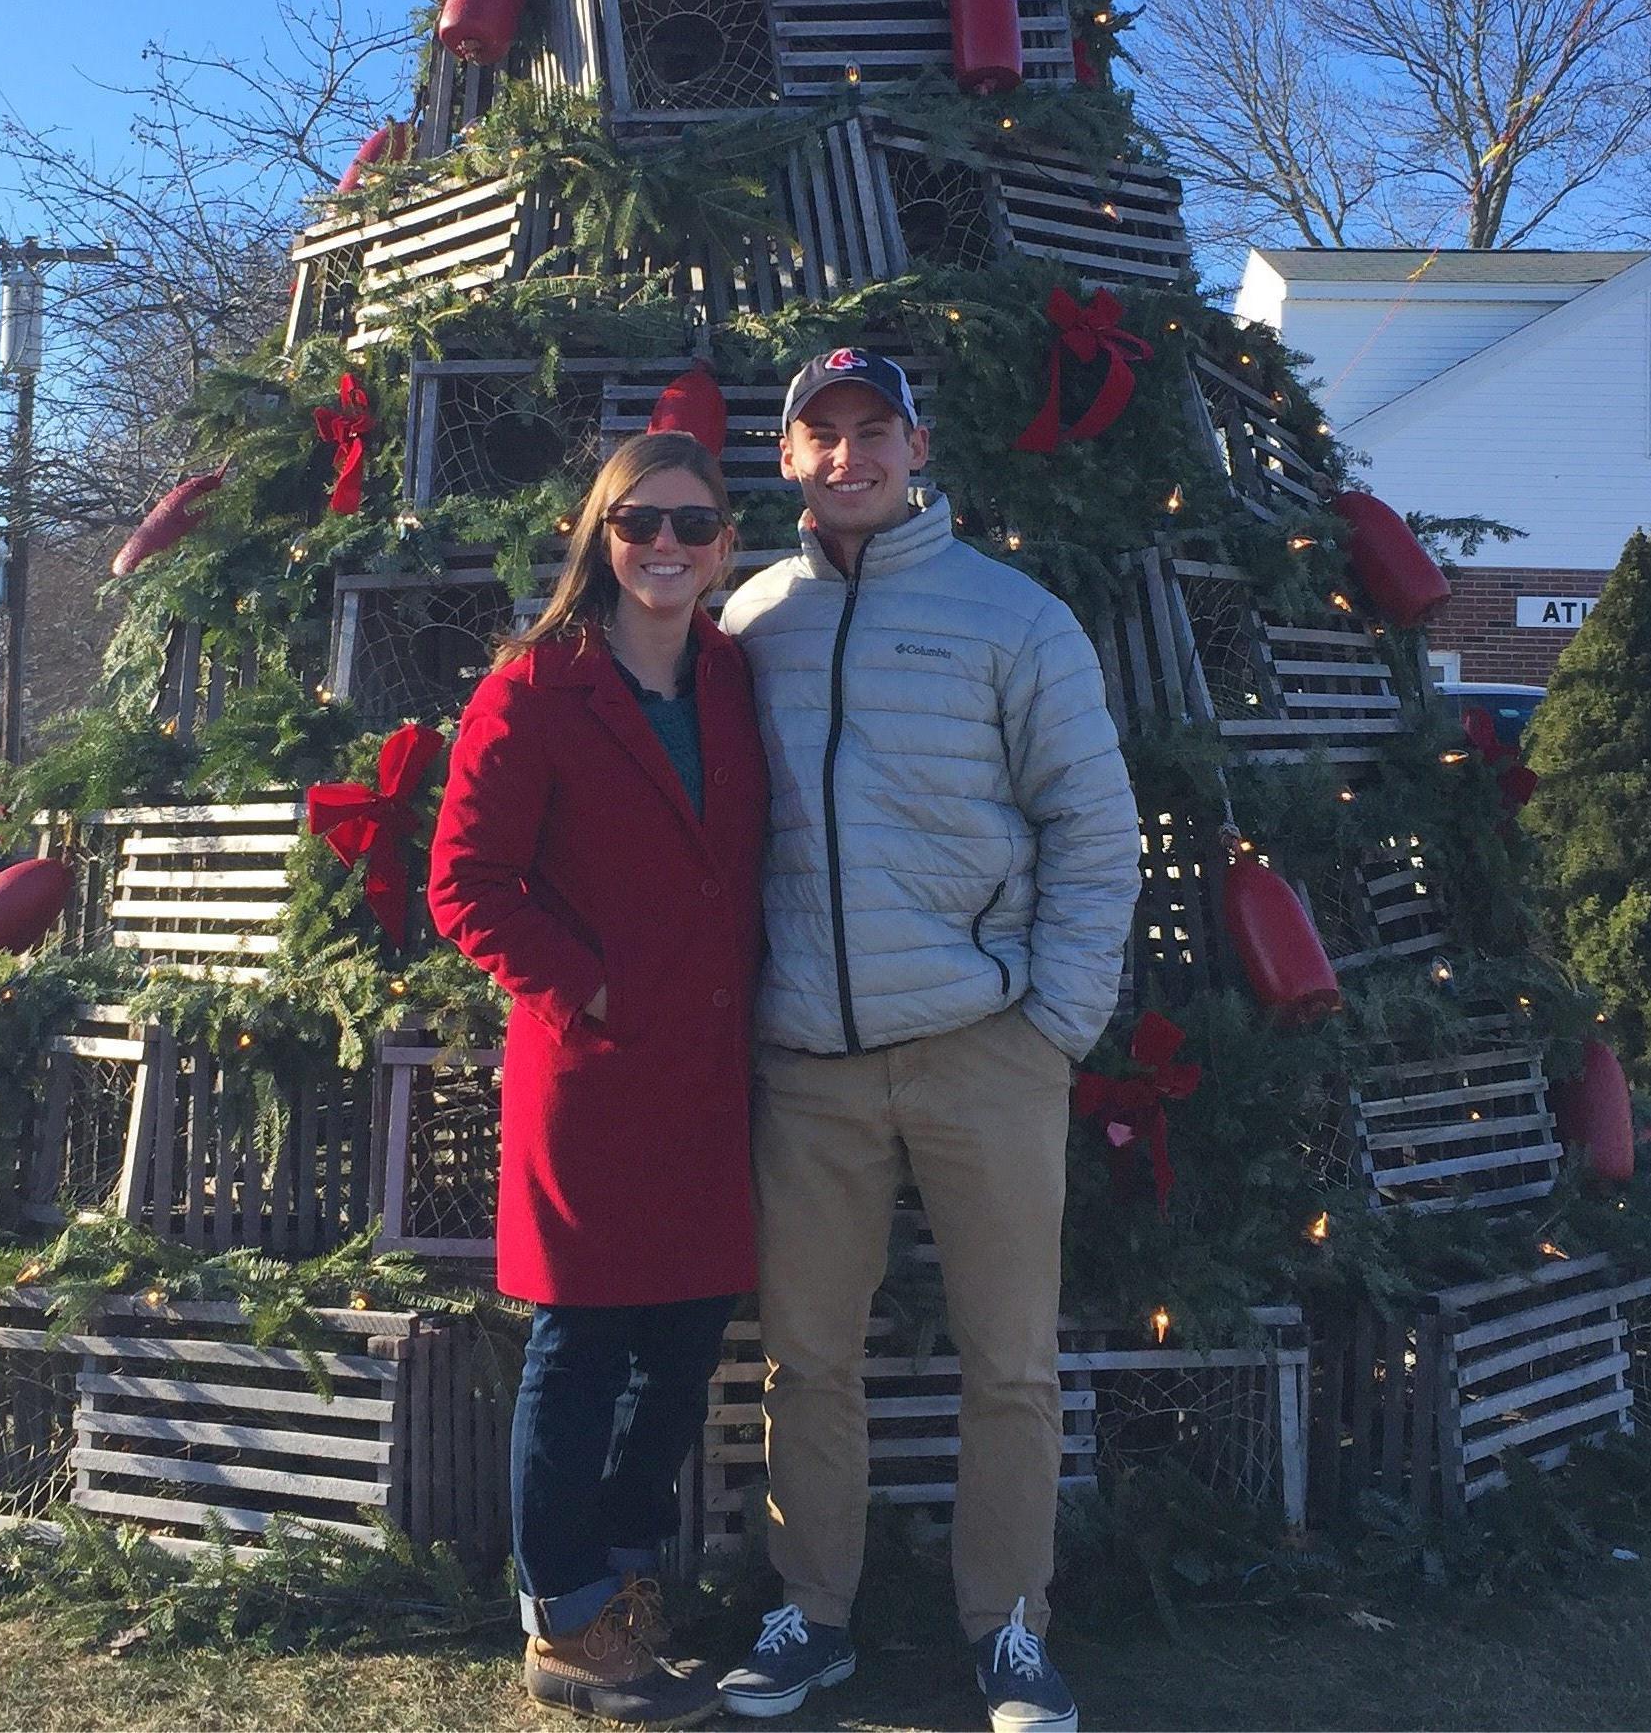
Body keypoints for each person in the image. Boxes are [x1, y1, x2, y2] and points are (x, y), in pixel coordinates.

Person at [713, 349, 1142, 1733]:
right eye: (819, 434)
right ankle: (812, 1616)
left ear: (917, 441)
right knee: (804, 1356)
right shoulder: (746, 620)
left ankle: (1010, 1627)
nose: (848, 457)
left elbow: (1094, 828)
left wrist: (1052, 1022)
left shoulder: (1013, 619)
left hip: (982, 1048)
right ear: (786, 458)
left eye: (871, 431)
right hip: (807, 1064)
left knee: (1008, 1356)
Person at [430, 430, 770, 1727]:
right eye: (640, 523)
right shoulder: (532, 689)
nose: (666, 546)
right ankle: (561, 1616)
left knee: (684, 1342)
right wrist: (593, 984)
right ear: (601, 534)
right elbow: (464, 882)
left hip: (716, 1065)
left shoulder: (735, 679)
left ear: (726, 542)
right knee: (580, 1347)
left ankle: (623, 1582)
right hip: (594, 1066)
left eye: (692, 523)